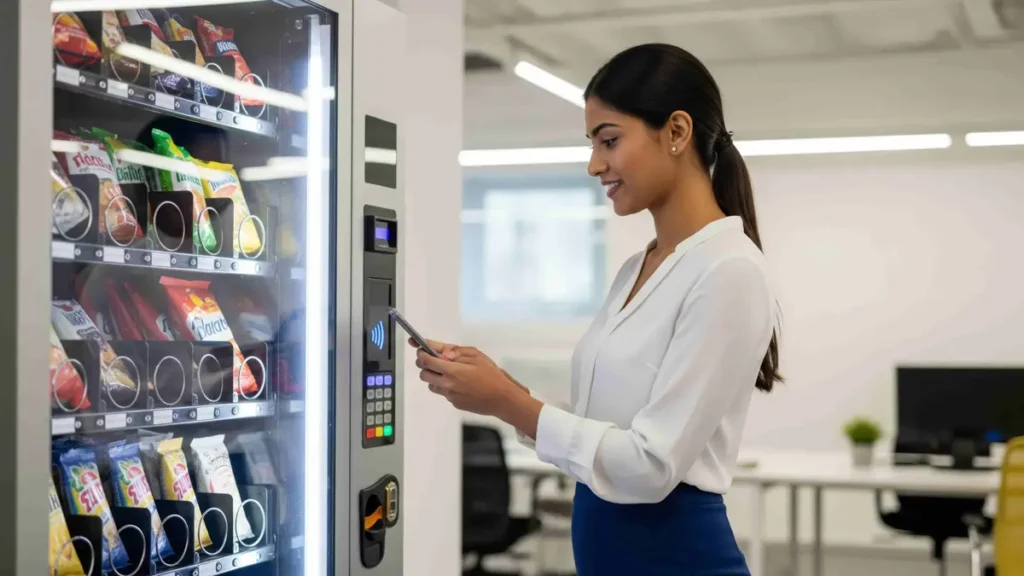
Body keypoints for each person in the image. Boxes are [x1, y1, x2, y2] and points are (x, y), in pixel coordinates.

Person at [412, 43, 780, 576]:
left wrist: (510, 403)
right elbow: (600, 428)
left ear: (677, 132)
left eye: (609, 140)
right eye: (592, 143)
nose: (593, 164)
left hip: (673, 556)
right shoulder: (639, 266)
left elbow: (651, 466)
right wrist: (499, 389)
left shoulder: (729, 270)